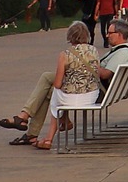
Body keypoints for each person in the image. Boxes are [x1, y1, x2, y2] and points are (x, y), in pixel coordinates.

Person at [32, 21, 102, 151]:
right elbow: (97, 73)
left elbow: (58, 83)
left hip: (71, 99)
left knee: (55, 92)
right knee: (60, 95)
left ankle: (49, 138)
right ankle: (65, 121)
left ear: (70, 36)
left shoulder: (65, 54)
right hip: (91, 97)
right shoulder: (93, 50)